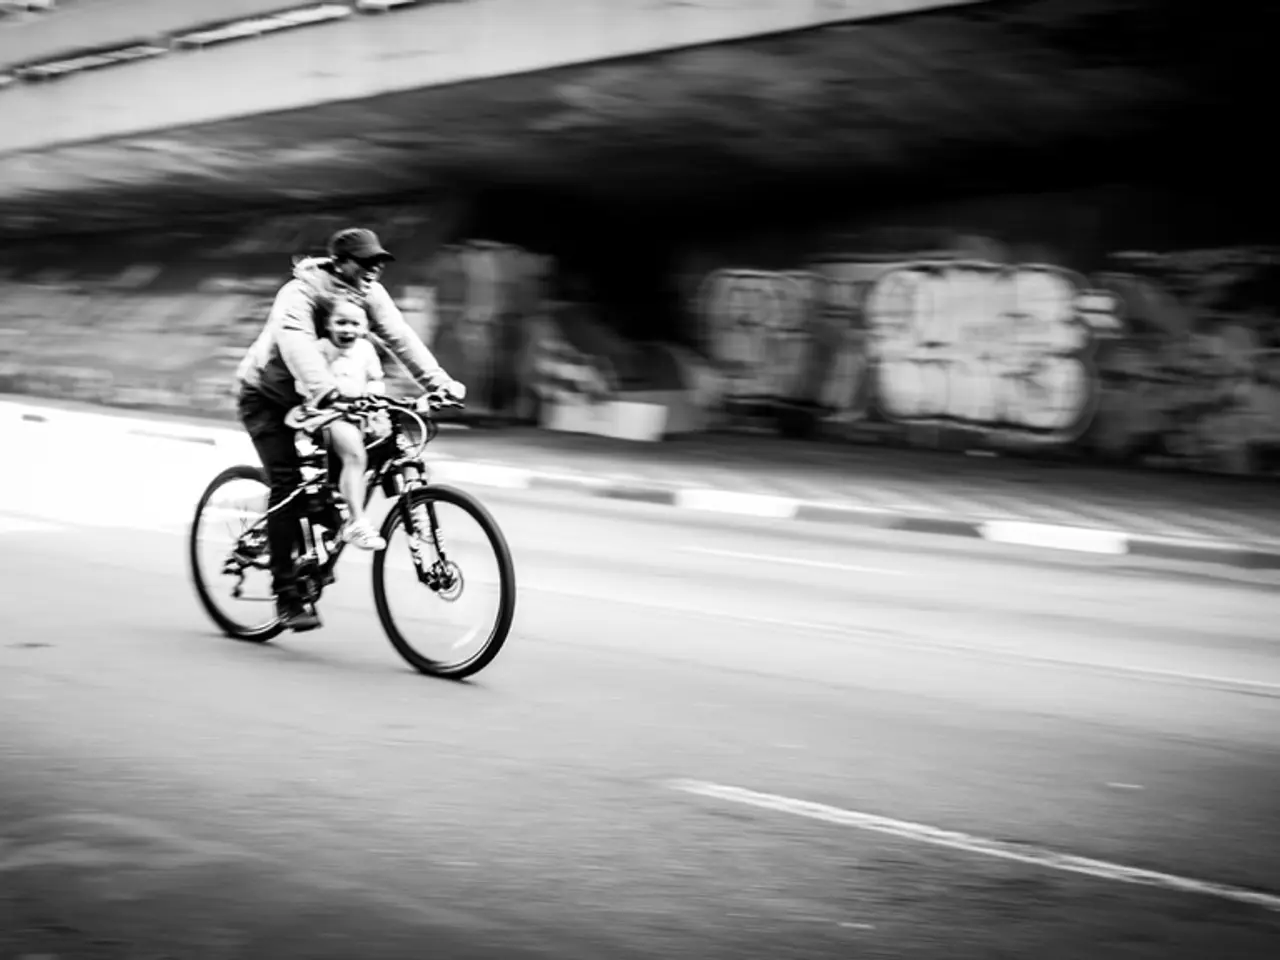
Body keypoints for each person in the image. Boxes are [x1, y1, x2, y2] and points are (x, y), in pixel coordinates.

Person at [235, 227, 465, 633]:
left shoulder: (368, 293)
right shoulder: (299, 293)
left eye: (380, 260)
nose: (376, 268)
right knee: (287, 484)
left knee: (368, 448)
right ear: (341, 263)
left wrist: (438, 382)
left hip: (326, 398)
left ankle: (330, 520)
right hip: (270, 397)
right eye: (367, 261)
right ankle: (288, 595)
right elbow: (296, 345)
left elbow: (400, 336)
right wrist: (328, 391)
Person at [301, 293, 392, 552]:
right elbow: (307, 384)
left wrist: (377, 403)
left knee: (397, 442)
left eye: (355, 324)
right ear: (328, 324)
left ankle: (416, 512)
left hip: (358, 415)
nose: (348, 329)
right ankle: (356, 521)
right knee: (354, 452)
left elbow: (375, 379)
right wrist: (329, 400)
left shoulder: (366, 350)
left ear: (364, 328)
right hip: (327, 418)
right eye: (341, 322)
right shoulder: (320, 349)